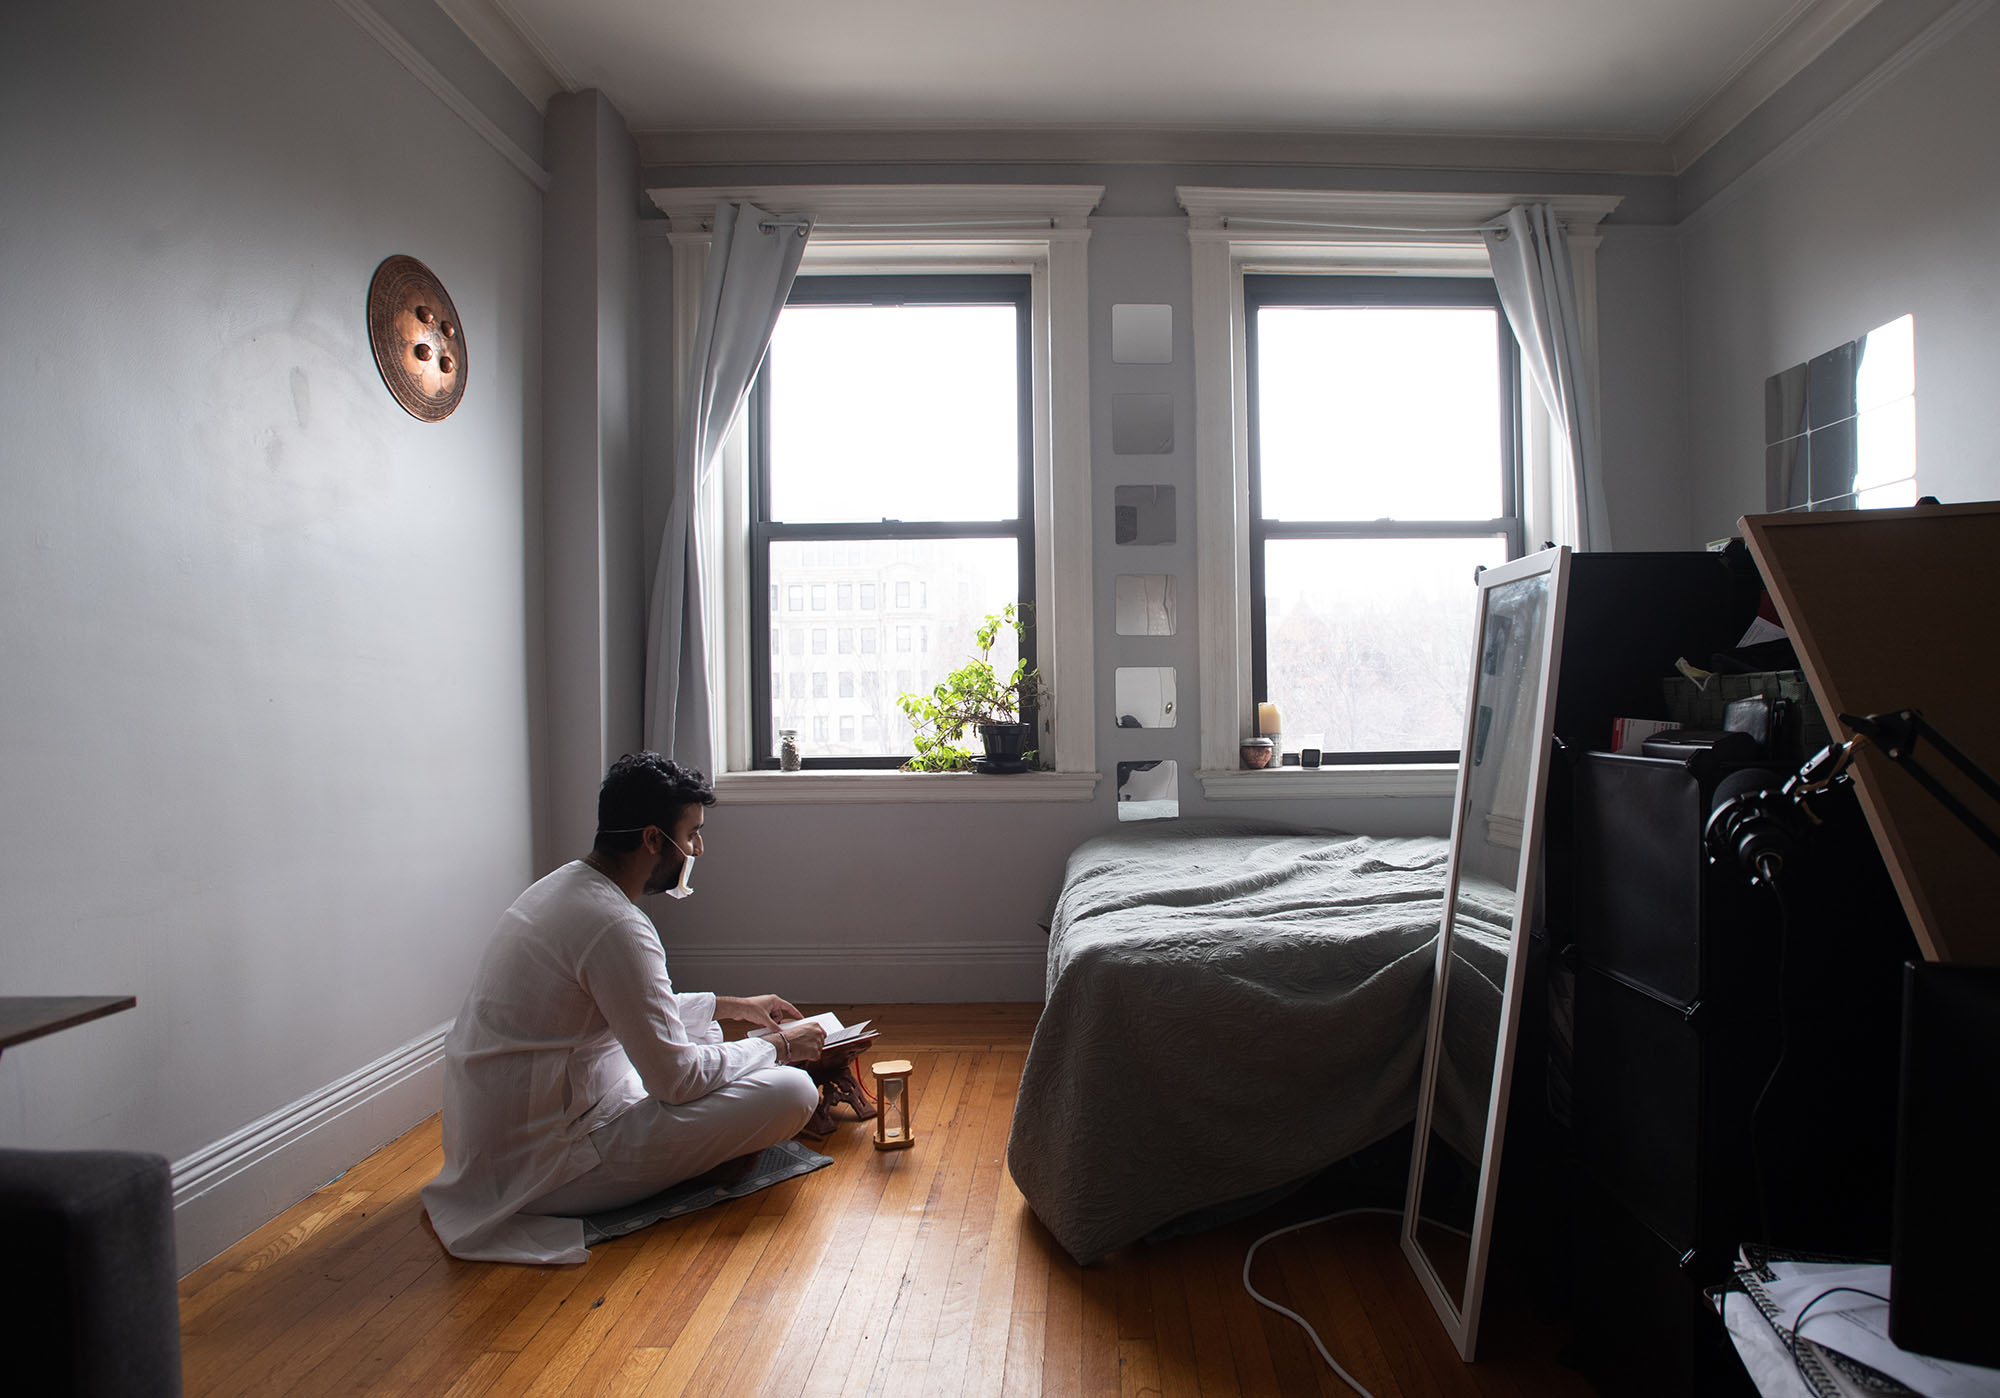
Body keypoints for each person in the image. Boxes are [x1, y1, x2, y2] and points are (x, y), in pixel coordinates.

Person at [421, 752, 824, 1264]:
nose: (698, 847)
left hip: (497, 1150)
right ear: (654, 839)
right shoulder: (615, 924)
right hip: (547, 1168)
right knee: (791, 1090)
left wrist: (732, 1006)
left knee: (713, 1046)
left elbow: (622, 1004)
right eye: (692, 833)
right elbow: (675, 1081)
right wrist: (779, 1047)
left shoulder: (564, 888)